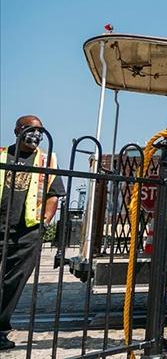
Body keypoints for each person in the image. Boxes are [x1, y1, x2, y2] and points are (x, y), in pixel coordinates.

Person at [0, 115, 65, 351]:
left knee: (13, 282)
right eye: (30, 129)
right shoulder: (1, 154)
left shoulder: (46, 160)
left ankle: (0, 329)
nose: (36, 134)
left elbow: (53, 194)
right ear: (17, 130)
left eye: (40, 130)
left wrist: (44, 222)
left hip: (27, 232)